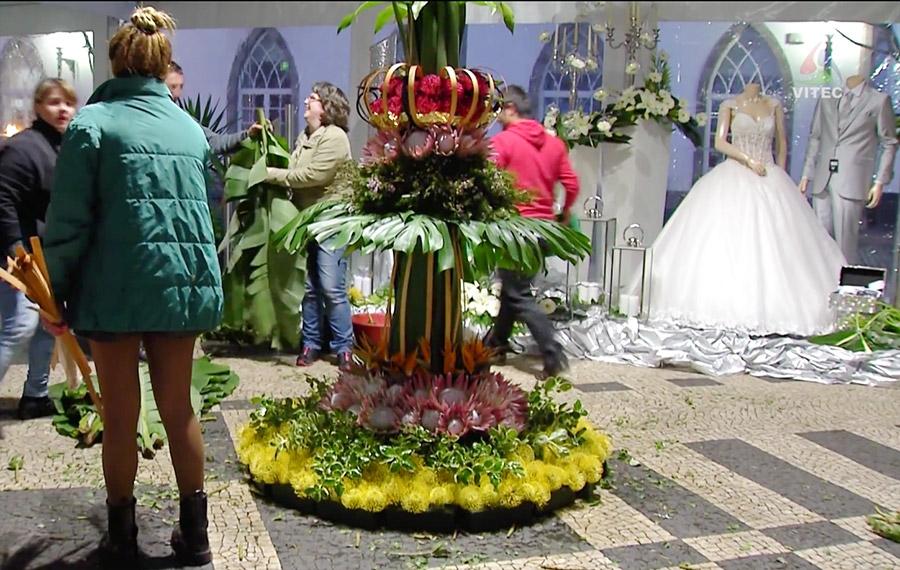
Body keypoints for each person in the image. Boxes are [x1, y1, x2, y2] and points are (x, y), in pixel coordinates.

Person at [41, 7, 223, 567]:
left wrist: (55, 292)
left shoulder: (92, 125)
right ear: (162, 64)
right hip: (181, 287)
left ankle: (122, 535)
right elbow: (207, 213)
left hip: (113, 288)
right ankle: (195, 537)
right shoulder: (189, 128)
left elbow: (68, 219)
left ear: (115, 63)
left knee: (120, 415)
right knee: (179, 411)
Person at [634, 83, 846, 337]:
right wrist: (748, 159)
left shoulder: (773, 105)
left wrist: (779, 172)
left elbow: (782, 142)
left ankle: (780, 307)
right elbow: (720, 142)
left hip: (769, 174)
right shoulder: (730, 106)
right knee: (723, 235)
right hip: (736, 170)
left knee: (780, 241)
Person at [486, 85, 578, 379]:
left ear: (511, 109)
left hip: (515, 227)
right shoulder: (555, 144)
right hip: (543, 228)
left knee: (518, 293)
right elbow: (572, 184)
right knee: (514, 288)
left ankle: (552, 352)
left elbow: (489, 181)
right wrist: (563, 213)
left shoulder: (503, 142)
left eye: (499, 110)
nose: (496, 116)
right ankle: (496, 344)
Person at [0, 78, 76, 420]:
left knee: (51, 320)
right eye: (54, 102)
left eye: (68, 103)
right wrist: (16, 247)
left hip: (45, 251)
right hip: (21, 255)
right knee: (20, 325)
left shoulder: (62, 146)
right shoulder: (23, 147)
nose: (63, 110)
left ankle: (36, 394)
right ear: (38, 107)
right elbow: (3, 200)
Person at [264, 82, 354, 370]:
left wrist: (269, 174)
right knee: (310, 287)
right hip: (308, 219)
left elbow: (312, 175)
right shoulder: (306, 136)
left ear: (326, 107)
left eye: (313, 98)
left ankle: (344, 348)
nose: (306, 101)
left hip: (331, 220)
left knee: (331, 286)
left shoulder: (335, 137)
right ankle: (311, 344)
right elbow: (295, 169)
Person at [799, 74, 899, 263]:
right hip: (823, 178)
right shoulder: (828, 98)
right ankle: (819, 285)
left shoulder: (878, 101)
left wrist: (879, 181)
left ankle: (844, 287)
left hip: (852, 178)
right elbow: (816, 137)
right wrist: (806, 174)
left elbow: (889, 143)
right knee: (819, 238)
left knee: (845, 242)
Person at [166, 60, 267, 155]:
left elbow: (213, 142)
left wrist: (247, 135)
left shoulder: (183, 120)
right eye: (173, 87)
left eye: (181, 87)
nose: (178, 94)